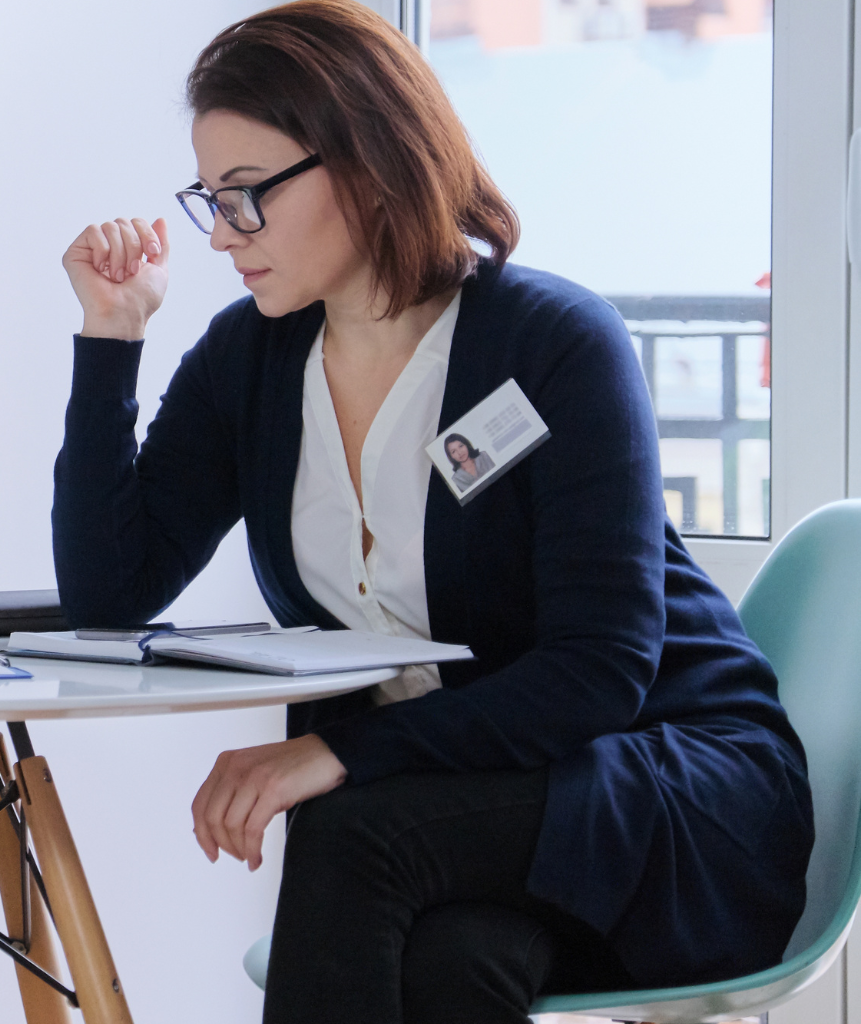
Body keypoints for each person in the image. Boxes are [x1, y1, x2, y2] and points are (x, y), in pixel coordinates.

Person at [48, 2, 811, 1021]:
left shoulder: (550, 344)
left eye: (248, 198)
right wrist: (110, 342)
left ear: (365, 162)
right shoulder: (251, 361)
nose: (226, 234)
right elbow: (111, 590)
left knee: (356, 828)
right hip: (473, 806)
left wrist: (333, 752)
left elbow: (601, 669)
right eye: (211, 201)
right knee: (454, 962)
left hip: (659, 779)